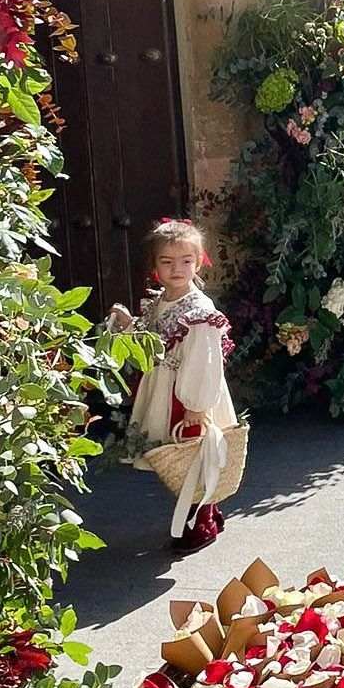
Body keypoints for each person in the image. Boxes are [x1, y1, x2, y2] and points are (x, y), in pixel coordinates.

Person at [111, 218, 238, 554]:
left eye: (186, 261)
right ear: (155, 267)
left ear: (198, 262)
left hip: (187, 393)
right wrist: (129, 325)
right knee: (175, 456)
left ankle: (200, 523)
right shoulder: (160, 302)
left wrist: (197, 404)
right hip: (163, 389)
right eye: (167, 262)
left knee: (193, 455)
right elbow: (153, 338)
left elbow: (204, 359)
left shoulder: (198, 311)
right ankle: (205, 511)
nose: (177, 269)